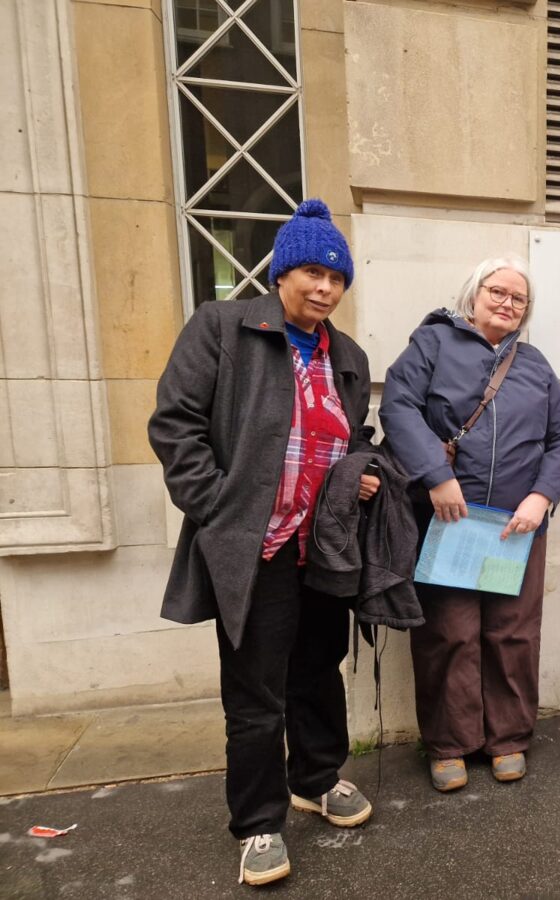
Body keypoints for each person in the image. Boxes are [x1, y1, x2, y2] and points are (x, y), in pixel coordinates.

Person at [148, 199, 377, 887]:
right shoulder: (223, 327)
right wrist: (220, 509)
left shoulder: (348, 355)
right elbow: (174, 425)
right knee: (255, 692)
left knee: (319, 668)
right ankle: (257, 822)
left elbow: (354, 435)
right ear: (281, 273)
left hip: (323, 545)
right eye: (312, 273)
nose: (324, 289)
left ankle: (317, 778)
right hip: (257, 548)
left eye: (336, 278)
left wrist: (360, 473)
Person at [379, 256, 560, 792]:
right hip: (450, 522)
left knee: (513, 632)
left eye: (519, 298)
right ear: (474, 294)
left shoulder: (533, 363)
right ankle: (450, 744)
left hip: (516, 528)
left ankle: (508, 737)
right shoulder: (433, 344)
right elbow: (397, 407)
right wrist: (435, 475)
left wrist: (541, 496)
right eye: (498, 292)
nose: (508, 303)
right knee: (449, 633)